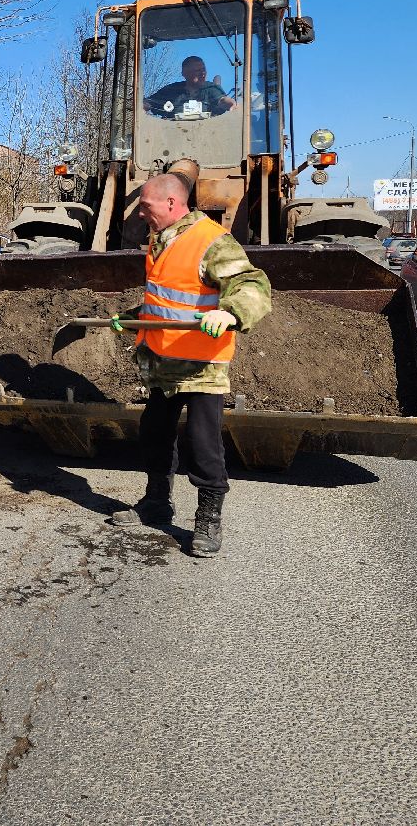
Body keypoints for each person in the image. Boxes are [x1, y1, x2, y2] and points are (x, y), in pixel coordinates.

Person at [109, 173, 271, 557]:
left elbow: (253, 284)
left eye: (145, 206)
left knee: (203, 445)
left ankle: (208, 519)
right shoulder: (161, 240)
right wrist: (134, 317)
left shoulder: (210, 240)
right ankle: (156, 502)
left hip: (201, 366)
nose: (140, 214)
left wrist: (229, 313)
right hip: (163, 363)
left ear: (170, 203)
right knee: (154, 435)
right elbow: (171, 299)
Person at [144, 55, 236, 119]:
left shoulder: (211, 88)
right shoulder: (172, 90)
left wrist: (231, 104)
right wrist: (142, 108)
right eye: (198, 70)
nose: (203, 73)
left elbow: (222, 100)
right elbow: (148, 103)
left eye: (203, 70)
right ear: (185, 73)